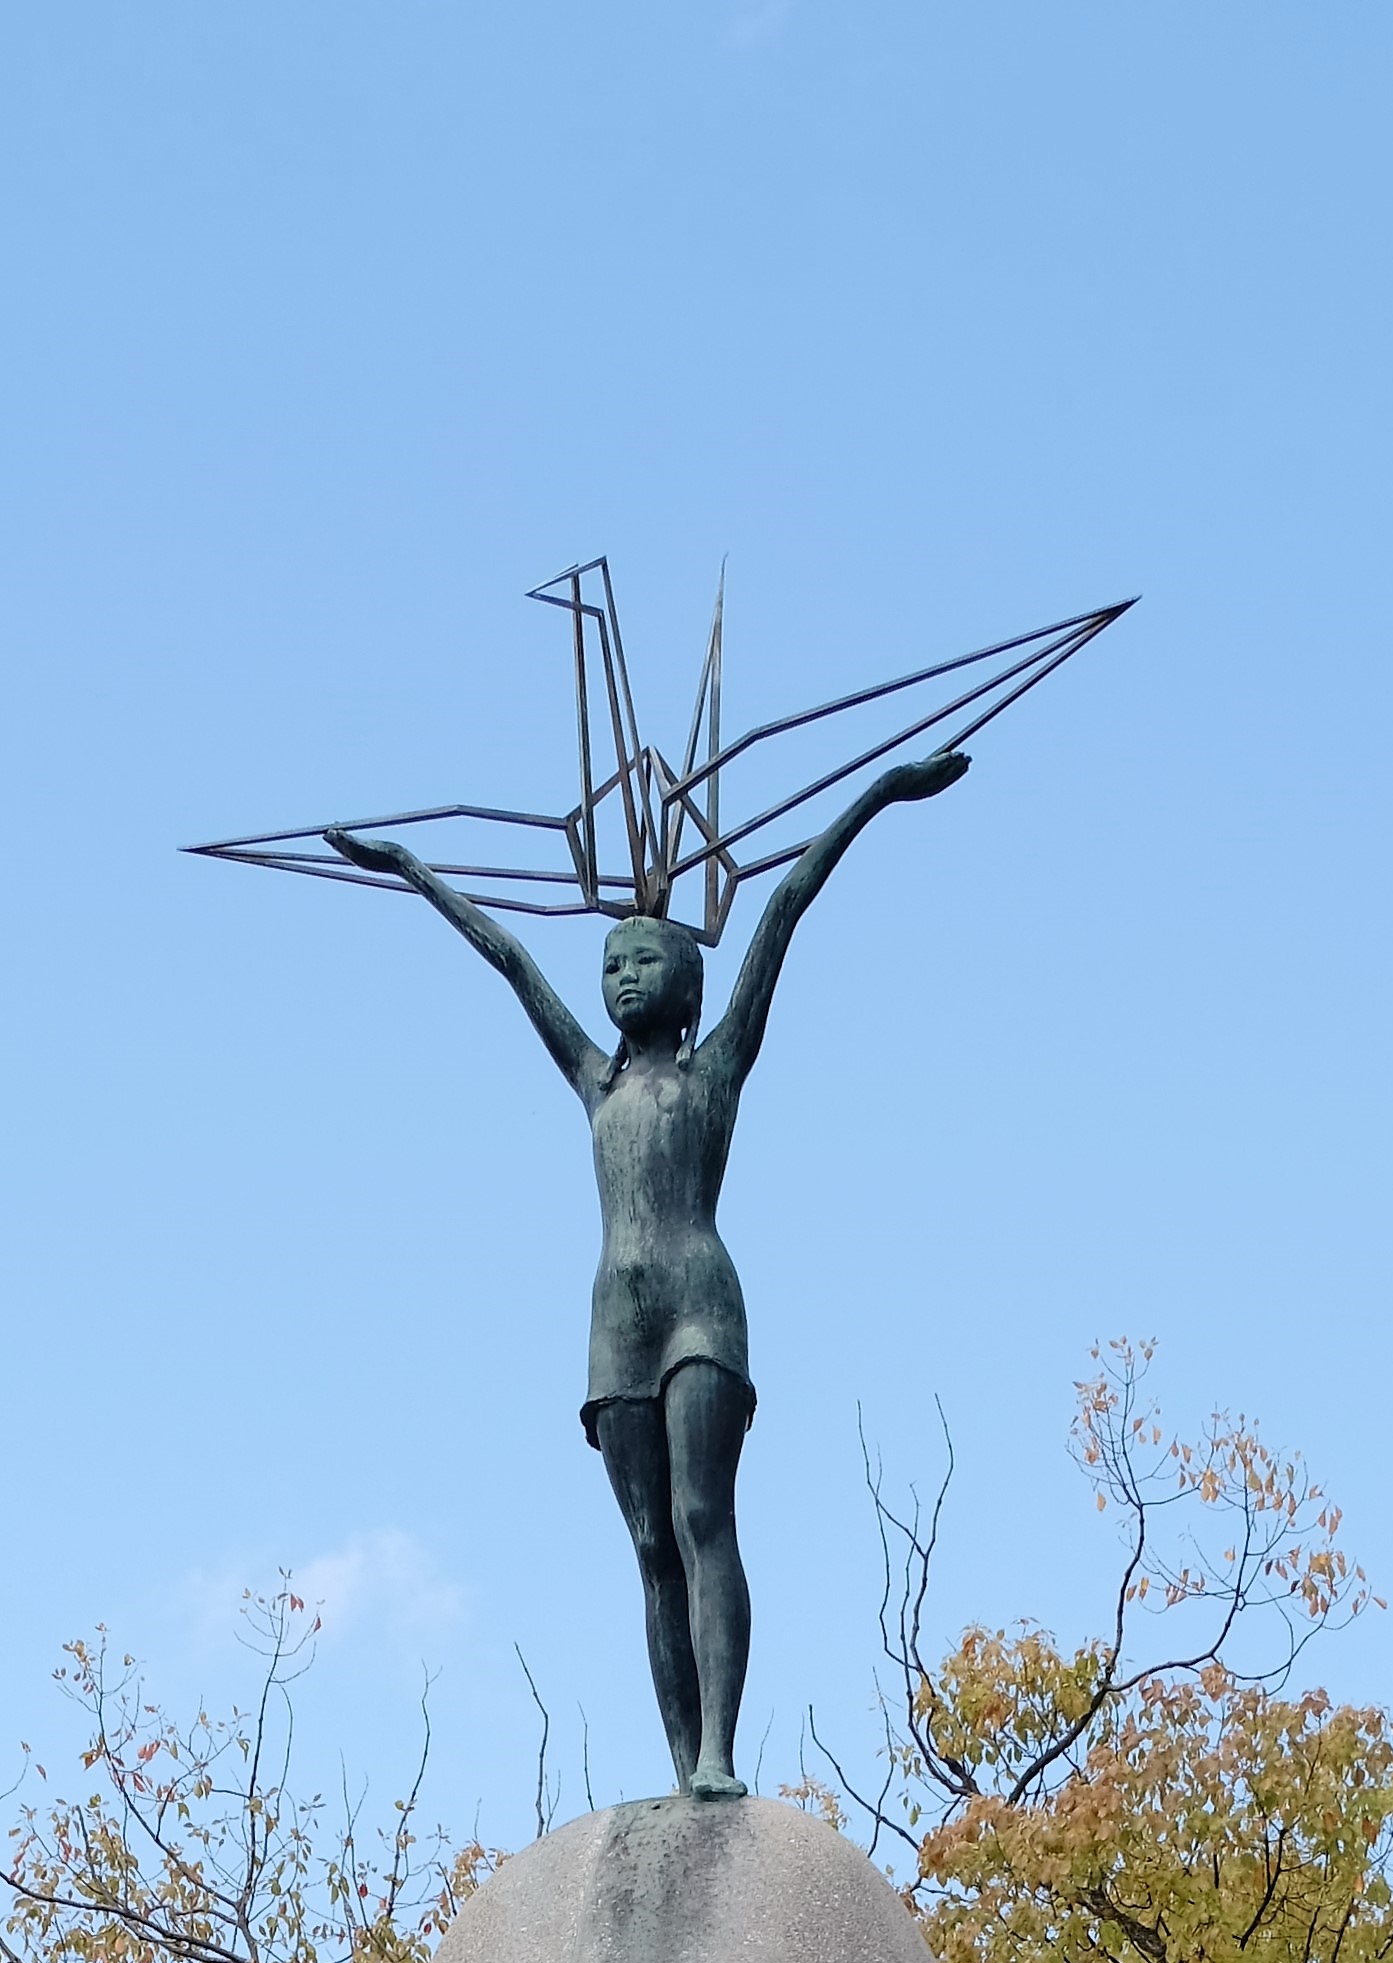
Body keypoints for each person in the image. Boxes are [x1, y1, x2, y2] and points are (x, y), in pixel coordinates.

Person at [326, 748, 969, 1800]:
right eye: (611, 962)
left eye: (643, 959)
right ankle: (683, 1767)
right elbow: (508, 960)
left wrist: (881, 794)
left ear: (688, 977)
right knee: (644, 1543)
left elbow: (788, 904)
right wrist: (407, 866)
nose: (621, 973)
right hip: (613, 1323)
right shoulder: (592, 1079)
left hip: (698, 1308)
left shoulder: (715, 1070)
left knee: (701, 1517)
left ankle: (718, 1752)